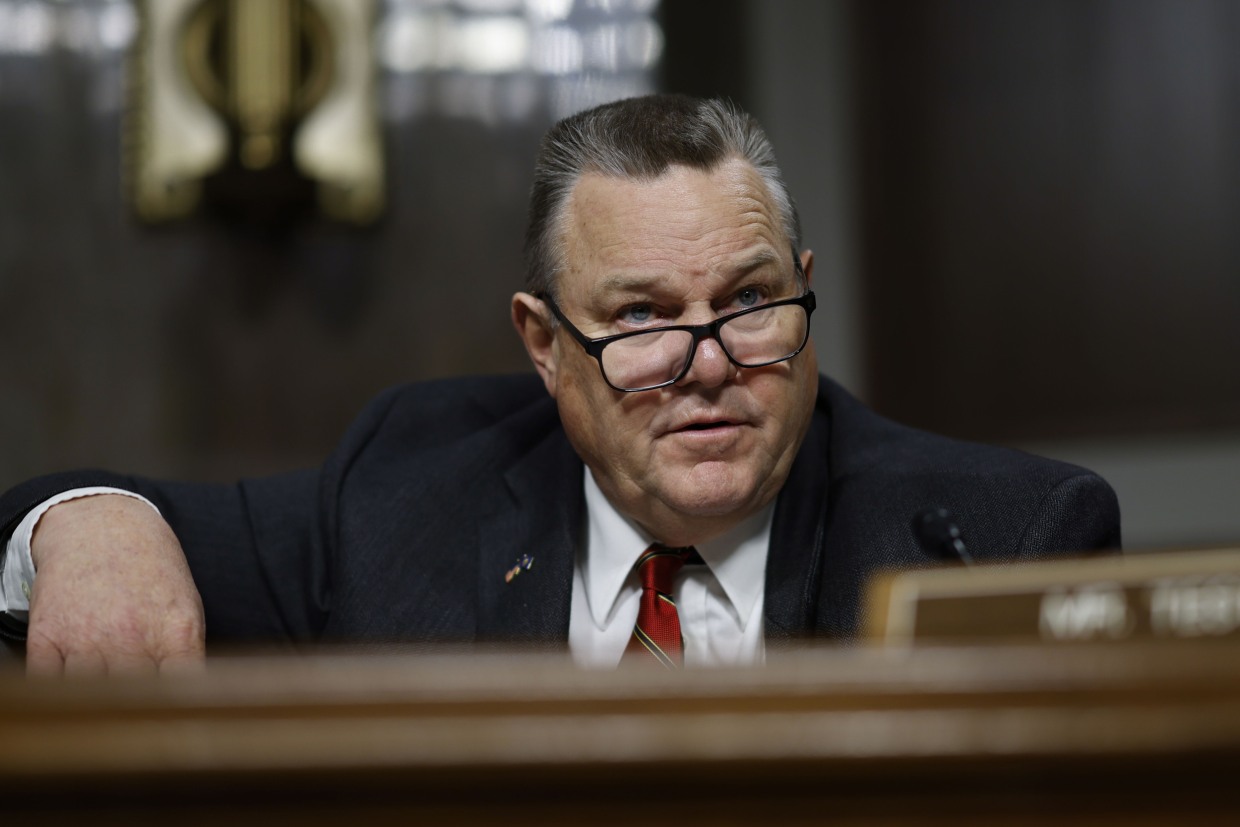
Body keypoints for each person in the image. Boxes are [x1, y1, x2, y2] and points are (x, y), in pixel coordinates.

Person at [0, 94, 1121, 674]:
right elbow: (64, 512)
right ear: (542, 342)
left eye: (749, 300)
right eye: (640, 317)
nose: (712, 362)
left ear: (803, 289)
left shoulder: (1003, 536)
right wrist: (95, 524)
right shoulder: (404, 489)